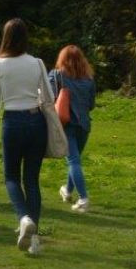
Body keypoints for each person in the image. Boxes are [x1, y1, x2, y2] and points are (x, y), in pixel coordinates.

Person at [0, 18, 53, 255]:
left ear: (5, 37)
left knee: (11, 177)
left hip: (12, 121)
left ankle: (23, 218)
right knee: (32, 180)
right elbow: (49, 95)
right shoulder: (37, 63)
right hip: (36, 121)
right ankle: (34, 241)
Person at [50, 45, 97, 213]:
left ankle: (83, 199)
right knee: (75, 160)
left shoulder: (57, 75)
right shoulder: (89, 79)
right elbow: (91, 105)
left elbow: (49, 97)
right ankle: (68, 190)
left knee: (73, 161)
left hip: (65, 124)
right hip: (84, 125)